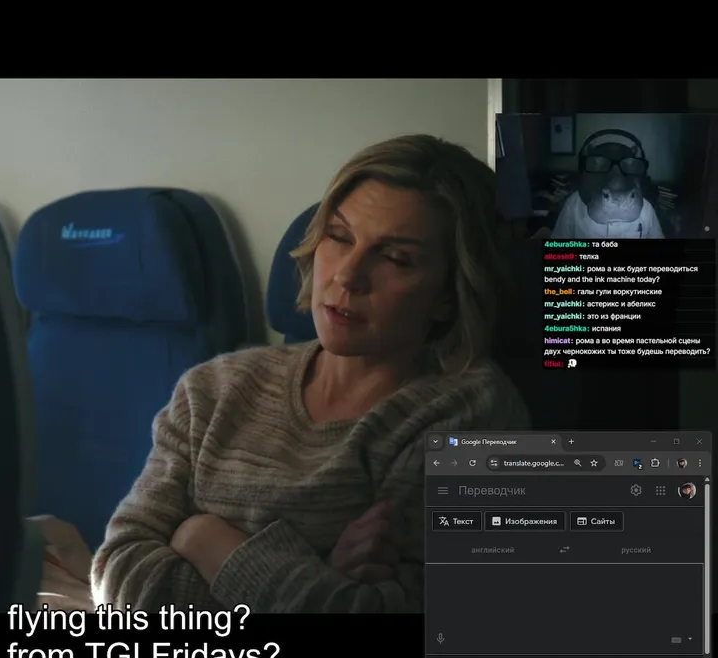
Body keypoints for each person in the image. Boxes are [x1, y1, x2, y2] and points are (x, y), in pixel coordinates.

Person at [91, 134, 531, 613]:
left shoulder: (469, 413)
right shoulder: (213, 389)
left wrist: (204, 539)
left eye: (395, 258)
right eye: (339, 237)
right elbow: (118, 572)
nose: (347, 276)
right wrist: (315, 572)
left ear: (449, 293)